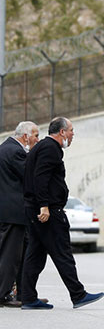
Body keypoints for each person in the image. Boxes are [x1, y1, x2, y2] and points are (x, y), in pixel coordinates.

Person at [20, 117, 104, 310]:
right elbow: (41, 177)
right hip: (47, 211)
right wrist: (44, 205)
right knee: (62, 252)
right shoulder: (50, 148)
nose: (73, 134)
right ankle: (78, 294)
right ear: (62, 132)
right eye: (71, 130)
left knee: (35, 254)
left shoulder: (42, 147)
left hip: (35, 209)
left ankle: (28, 297)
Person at [0, 121, 39, 308]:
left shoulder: (4, 148)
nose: (37, 140)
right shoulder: (15, 151)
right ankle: (3, 294)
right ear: (25, 136)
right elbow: (30, 176)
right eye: (36, 136)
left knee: (20, 254)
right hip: (13, 212)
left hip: (10, 212)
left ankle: (22, 294)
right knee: (10, 256)